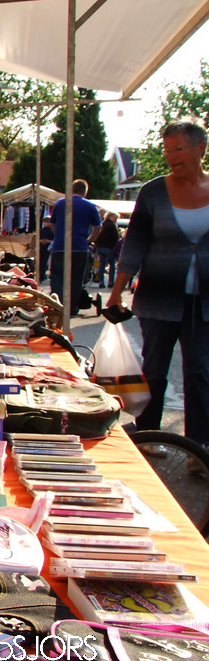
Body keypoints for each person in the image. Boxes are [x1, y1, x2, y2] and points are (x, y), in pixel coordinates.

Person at [106, 119, 209, 446]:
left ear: (200, 148)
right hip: (158, 297)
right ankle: (149, 435)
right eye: (167, 150)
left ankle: (198, 446)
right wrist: (117, 291)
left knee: (200, 372)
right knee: (154, 370)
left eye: (179, 149)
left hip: (204, 303)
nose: (172, 156)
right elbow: (134, 244)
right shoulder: (153, 192)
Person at [48, 179, 102, 313]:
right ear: (85, 191)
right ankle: (71, 308)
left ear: (71, 189)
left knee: (57, 276)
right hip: (80, 246)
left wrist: (59, 235)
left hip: (60, 246)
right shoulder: (90, 206)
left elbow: (52, 223)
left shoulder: (60, 203)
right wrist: (89, 240)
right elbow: (98, 227)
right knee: (76, 278)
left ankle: (57, 306)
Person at [92, 211, 120, 287]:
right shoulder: (112, 226)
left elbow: (96, 234)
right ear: (111, 217)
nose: (116, 220)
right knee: (112, 265)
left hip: (100, 247)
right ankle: (110, 282)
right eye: (115, 218)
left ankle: (101, 282)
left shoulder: (102, 224)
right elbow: (116, 237)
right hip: (109, 247)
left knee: (102, 264)